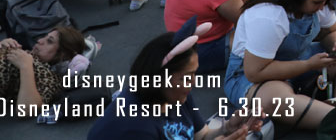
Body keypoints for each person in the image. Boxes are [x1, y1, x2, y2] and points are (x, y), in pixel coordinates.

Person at [223, 0, 336, 130]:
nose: (322, 7)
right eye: (317, 2)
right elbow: (254, 72)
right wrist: (308, 65)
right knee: (274, 100)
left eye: (324, 1)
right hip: (251, 76)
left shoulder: (318, 3)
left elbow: (333, 30)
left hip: (301, 59)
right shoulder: (270, 16)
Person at [88, 18, 264, 139]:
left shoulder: (176, 96)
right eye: (187, 77)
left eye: (194, 73)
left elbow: (200, 136)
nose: (193, 82)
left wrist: (228, 128)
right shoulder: (135, 128)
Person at [0, 26, 86, 116]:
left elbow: (26, 110)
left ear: (63, 54)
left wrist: (26, 67)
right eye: (44, 37)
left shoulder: (49, 77)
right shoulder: (26, 54)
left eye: (49, 41)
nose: (39, 40)